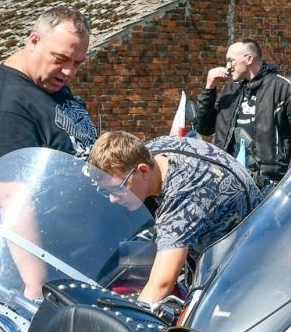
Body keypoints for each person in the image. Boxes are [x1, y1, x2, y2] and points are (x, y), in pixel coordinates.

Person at [90, 130, 260, 305]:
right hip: (224, 245)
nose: (112, 199)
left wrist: (128, 323)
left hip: (244, 270)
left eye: (117, 189)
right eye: (106, 191)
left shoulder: (182, 197)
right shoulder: (152, 151)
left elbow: (161, 284)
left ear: (143, 171)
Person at [0, 5, 98, 170]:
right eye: (60, 58)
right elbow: (10, 193)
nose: (68, 71)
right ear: (34, 41)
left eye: (77, 63)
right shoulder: (5, 110)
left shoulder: (50, 83)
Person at [196, 38, 291, 185]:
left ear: (248, 59)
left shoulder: (284, 87)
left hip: (270, 182)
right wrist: (209, 88)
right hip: (230, 178)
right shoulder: (231, 90)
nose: (227, 67)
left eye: (231, 61)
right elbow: (204, 128)